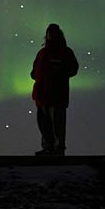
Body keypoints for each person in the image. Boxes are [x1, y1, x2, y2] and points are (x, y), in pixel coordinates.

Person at [30, 23, 78, 156]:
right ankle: (48, 148)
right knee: (44, 125)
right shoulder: (42, 53)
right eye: (49, 33)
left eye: (53, 33)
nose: (50, 35)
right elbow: (34, 72)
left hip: (57, 96)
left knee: (57, 124)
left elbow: (73, 69)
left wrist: (59, 70)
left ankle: (57, 149)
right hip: (42, 96)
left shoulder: (65, 52)